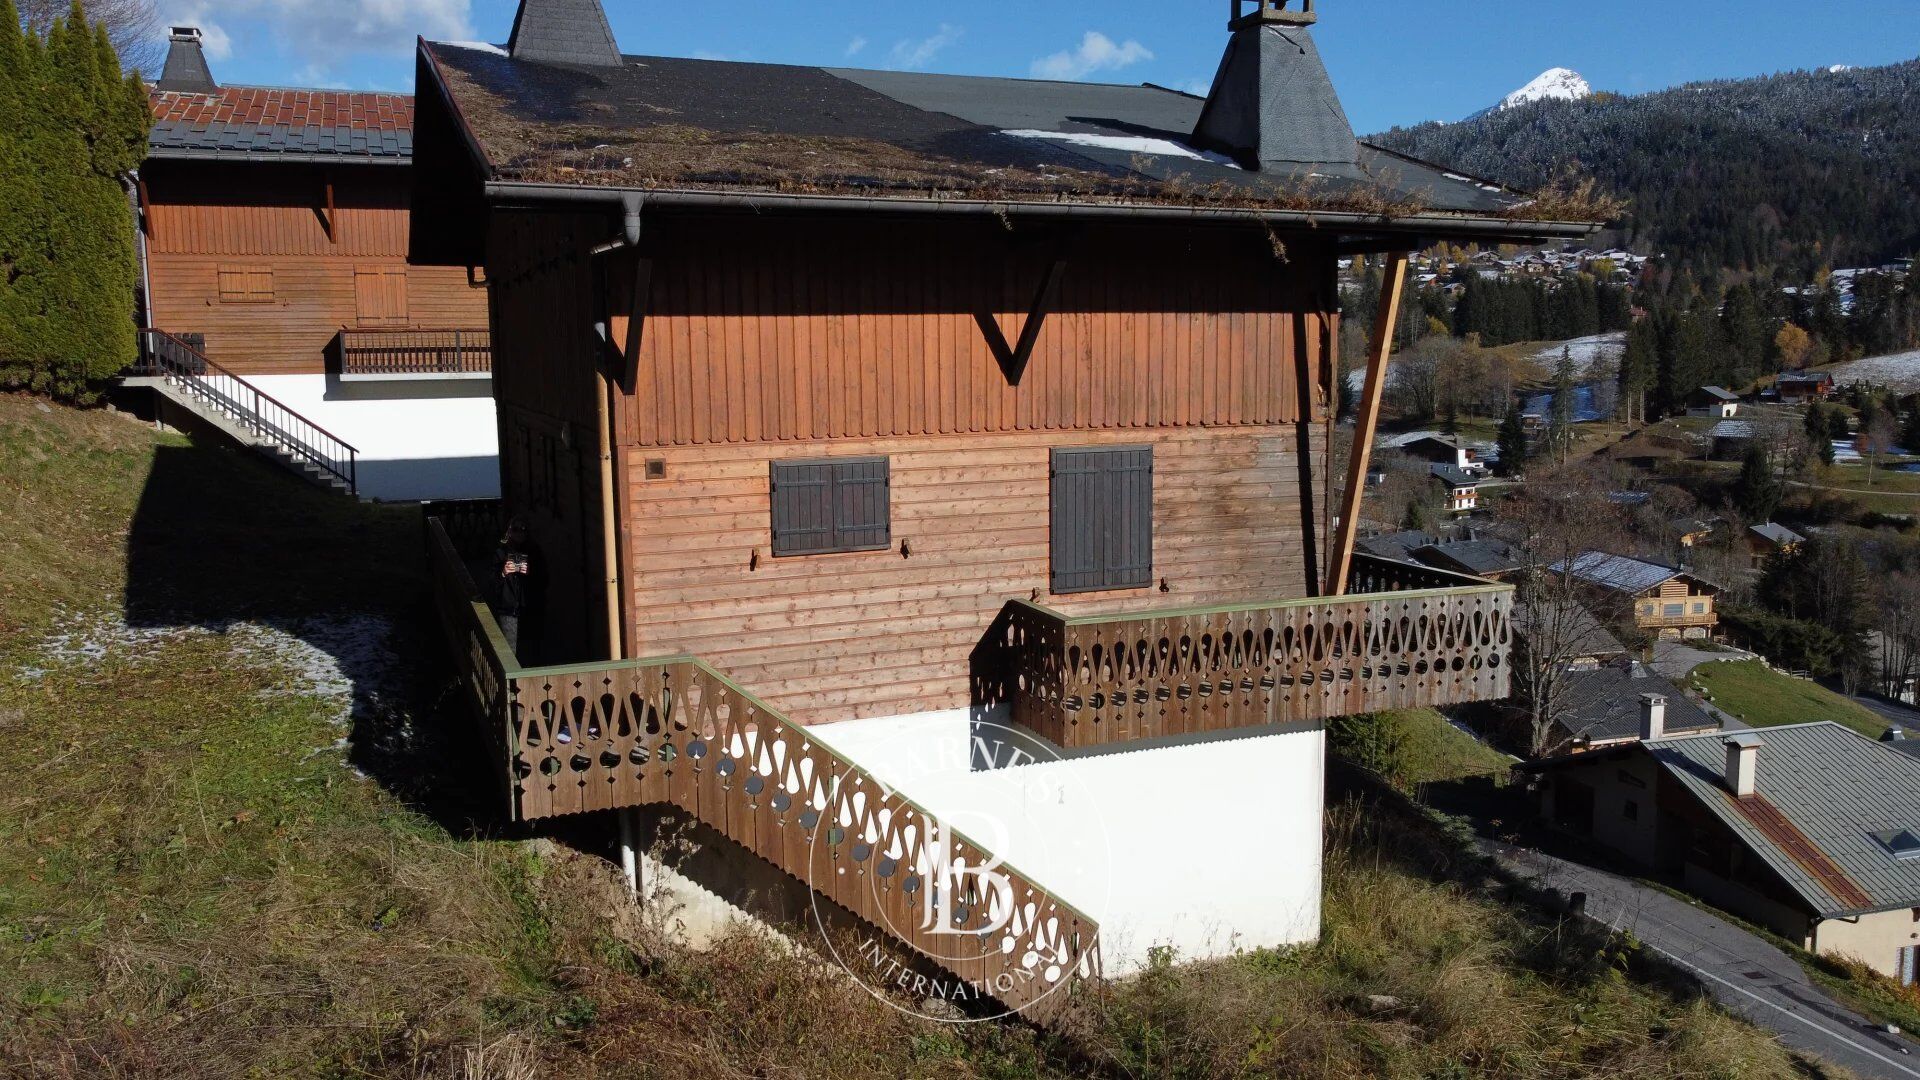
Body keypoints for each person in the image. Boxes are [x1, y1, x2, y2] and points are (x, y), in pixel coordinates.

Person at [497, 516, 536, 657]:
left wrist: (530, 573)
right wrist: (503, 572)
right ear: (509, 531)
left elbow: (544, 580)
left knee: (527, 651)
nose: (520, 532)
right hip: (508, 610)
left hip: (528, 610)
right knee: (509, 653)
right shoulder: (500, 553)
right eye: (516, 529)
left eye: (523, 529)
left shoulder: (533, 552)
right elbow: (489, 582)